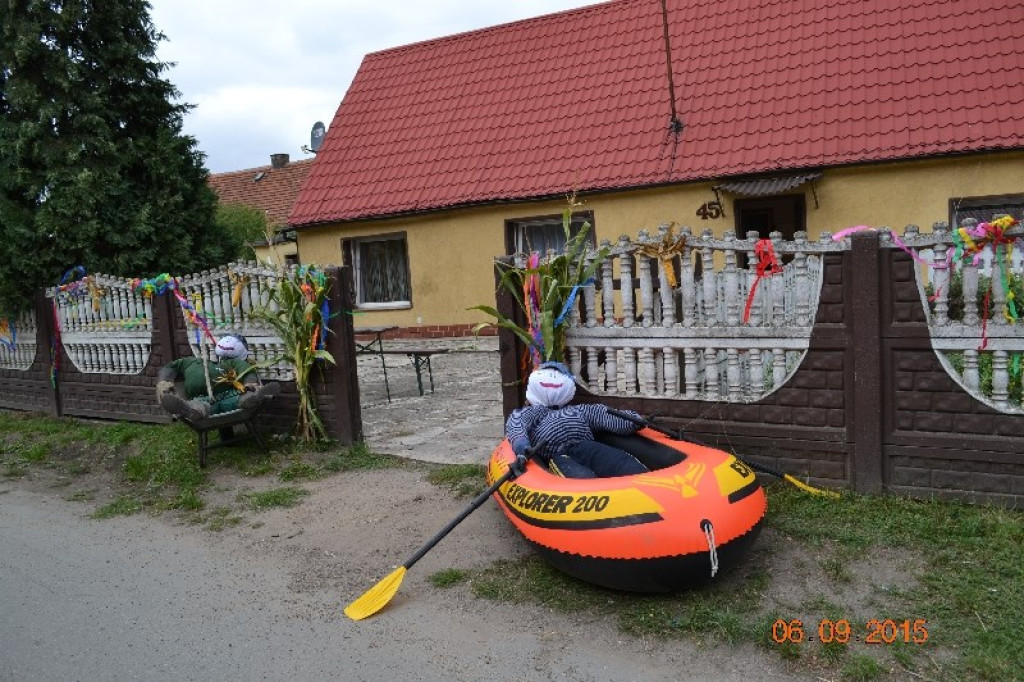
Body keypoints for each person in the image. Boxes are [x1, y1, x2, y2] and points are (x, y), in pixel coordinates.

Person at [505, 361, 649, 478]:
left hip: (585, 446)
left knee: (624, 464)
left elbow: (604, 415)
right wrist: (522, 446)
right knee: (582, 478)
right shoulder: (532, 412)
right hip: (558, 454)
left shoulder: (579, 409)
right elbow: (517, 423)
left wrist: (633, 420)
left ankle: (647, 485)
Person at [156, 334, 278, 422]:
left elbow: (246, 371)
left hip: (224, 396)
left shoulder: (229, 363)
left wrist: (250, 384)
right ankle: (190, 410)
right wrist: (164, 384)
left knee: (232, 399)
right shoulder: (193, 362)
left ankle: (249, 398)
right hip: (211, 397)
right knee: (204, 404)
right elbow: (247, 370)